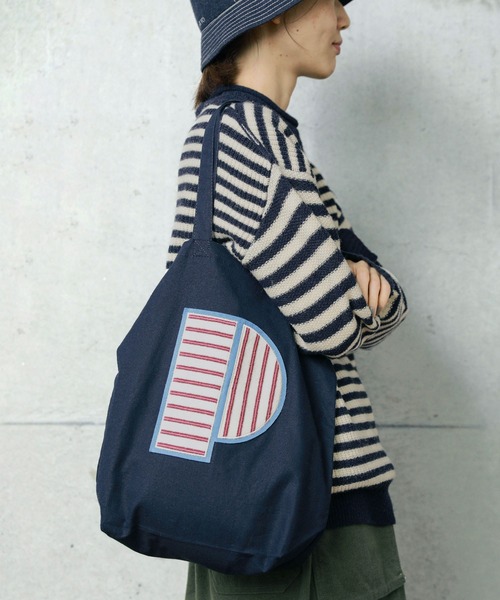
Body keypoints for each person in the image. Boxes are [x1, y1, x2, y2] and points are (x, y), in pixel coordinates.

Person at [168, 1, 410, 598]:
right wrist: (353, 284)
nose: (344, 20)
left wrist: (355, 288)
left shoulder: (273, 139)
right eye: (332, 1)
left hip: (298, 487)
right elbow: (334, 323)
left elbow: (384, 302)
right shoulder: (237, 138)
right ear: (274, 12)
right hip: (296, 501)